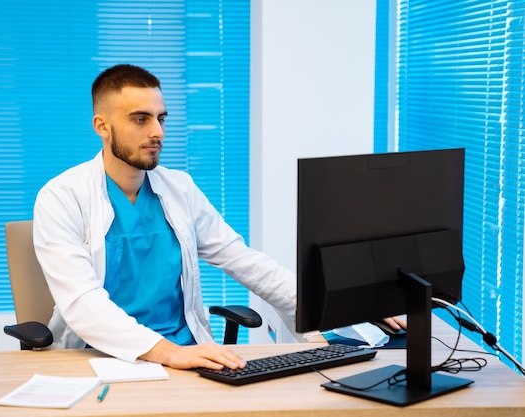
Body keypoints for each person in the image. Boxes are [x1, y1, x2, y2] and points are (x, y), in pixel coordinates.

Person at [33, 64, 405, 371]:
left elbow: (242, 259)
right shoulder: (62, 198)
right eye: (140, 119)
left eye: (161, 118)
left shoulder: (179, 189)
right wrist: (165, 352)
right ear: (102, 126)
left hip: (186, 353)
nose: (157, 132)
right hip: (100, 358)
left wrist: (340, 309)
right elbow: (82, 303)